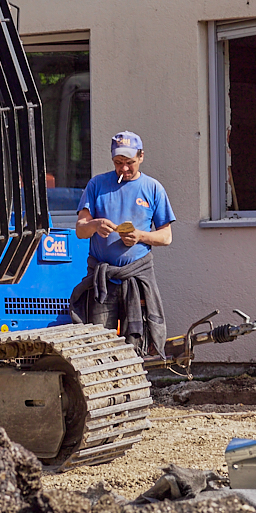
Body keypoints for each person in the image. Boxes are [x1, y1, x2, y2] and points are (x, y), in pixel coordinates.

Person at [69, 131, 175, 358]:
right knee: (99, 344)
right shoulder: (97, 184)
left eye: (129, 163)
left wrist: (140, 236)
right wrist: (95, 224)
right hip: (103, 280)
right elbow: (80, 229)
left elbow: (166, 236)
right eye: (118, 163)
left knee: (137, 345)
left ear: (141, 157)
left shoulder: (153, 188)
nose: (124, 169)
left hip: (136, 278)